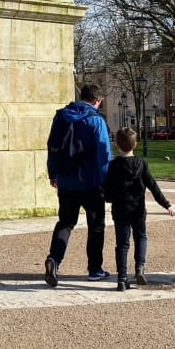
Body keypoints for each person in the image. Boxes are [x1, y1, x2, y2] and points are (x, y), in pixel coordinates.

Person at [44, 83, 112, 287]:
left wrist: (53, 173)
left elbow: (51, 146)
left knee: (65, 223)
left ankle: (54, 259)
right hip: (91, 182)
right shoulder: (96, 120)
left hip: (65, 179)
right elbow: (104, 155)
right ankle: (94, 269)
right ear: (96, 101)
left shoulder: (60, 116)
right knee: (96, 226)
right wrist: (106, 183)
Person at [104, 127, 175, 291]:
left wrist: (108, 198)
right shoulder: (142, 164)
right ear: (135, 144)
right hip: (138, 210)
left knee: (122, 244)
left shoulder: (113, 165)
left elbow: (107, 188)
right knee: (141, 238)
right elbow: (153, 186)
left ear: (116, 145)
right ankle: (139, 268)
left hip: (120, 210)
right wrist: (167, 204)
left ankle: (121, 279)